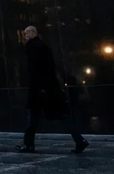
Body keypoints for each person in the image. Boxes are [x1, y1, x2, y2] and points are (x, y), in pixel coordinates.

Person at [16, 26, 88, 154]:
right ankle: (79, 140)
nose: (25, 36)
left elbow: (35, 70)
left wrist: (38, 87)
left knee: (33, 117)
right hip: (49, 87)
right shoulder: (44, 47)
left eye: (26, 33)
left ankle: (28, 145)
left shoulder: (33, 47)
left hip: (40, 89)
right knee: (61, 116)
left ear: (32, 33)